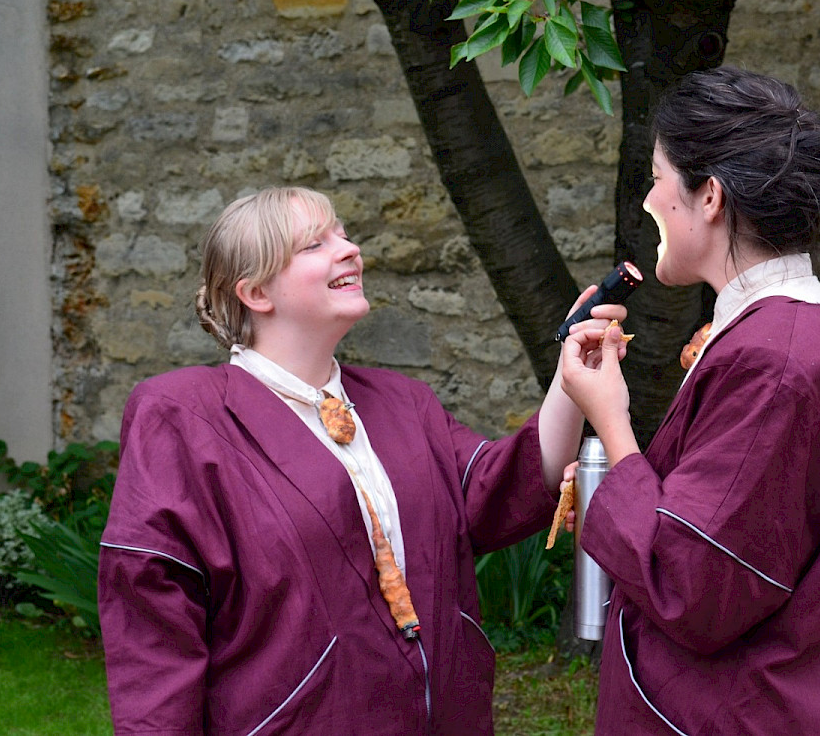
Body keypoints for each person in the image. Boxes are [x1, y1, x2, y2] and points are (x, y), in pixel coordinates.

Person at [97, 186, 626, 734]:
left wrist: (572, 375)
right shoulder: (184, 416)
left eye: (344, 234)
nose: (349, 249)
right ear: (256, 292)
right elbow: (152, 625)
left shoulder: (404, 403)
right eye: (314, 244)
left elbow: (497, 489)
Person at [559, 67, 820, 734]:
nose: (650, 199)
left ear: (709, 195)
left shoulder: (775, 360)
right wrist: (632, 483)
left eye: (657, 176)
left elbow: (691, 586)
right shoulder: (779, 337)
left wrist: (612, 425)